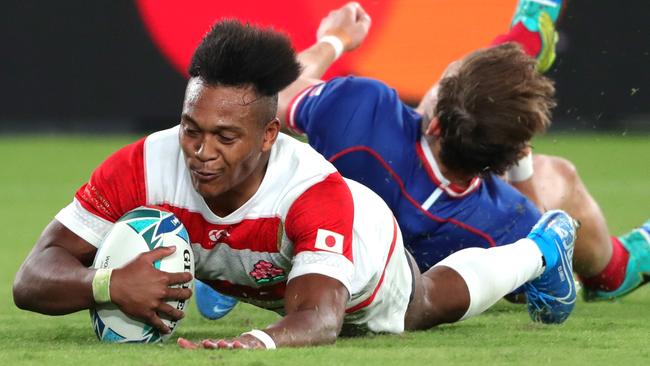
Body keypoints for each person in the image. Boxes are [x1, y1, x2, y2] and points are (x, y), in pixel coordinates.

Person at [13, 18, 579, 350]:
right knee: (232, 248)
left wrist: (255, 342)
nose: (201, 153)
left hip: (357, 250)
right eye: (191, 130)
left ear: (268, 138)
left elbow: (321, 319)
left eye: (225, 137)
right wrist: (109, 285)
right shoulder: (145, 163)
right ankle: (223, 260)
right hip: (258, 255)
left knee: (419, 306)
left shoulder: (314, 192)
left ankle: (542, 249)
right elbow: (32, 278)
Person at [272, 0, 649, 303]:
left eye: (446, 80)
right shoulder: (506, 219)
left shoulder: (364, 111)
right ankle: (615, 270)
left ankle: (524, 42)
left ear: (435, 125)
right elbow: (541, 258)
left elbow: (268, 97)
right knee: (558, 175)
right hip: (393, 277)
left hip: (302, 250)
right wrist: (521, 166)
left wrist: (334, 39)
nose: (444, 75)